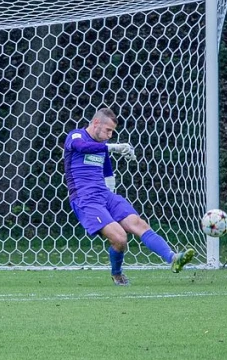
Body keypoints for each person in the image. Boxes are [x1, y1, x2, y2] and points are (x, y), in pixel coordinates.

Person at [64, 107, 194, 286]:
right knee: (119, 238)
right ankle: (117, 274)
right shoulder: (76, 136)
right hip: (85, 199)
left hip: (105, 195)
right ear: (96, 123)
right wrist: (114, 147)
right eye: (108, 130)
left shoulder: (102, 145)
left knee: (138, 223)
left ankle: (173, 258)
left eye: (112, 132)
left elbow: (107, 171)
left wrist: (111, 194)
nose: (110, 135)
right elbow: (82, 147)